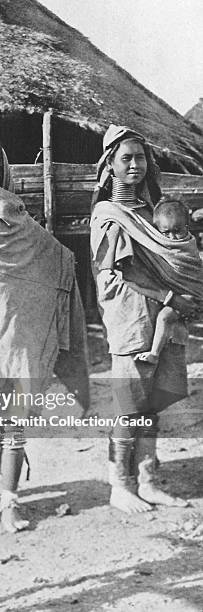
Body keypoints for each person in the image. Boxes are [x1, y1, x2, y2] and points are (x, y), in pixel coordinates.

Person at [0, 127, 89, 533]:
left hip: (16, 330)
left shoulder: (20, 217)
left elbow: (53, 255)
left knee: (13, 418)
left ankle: (9, 502)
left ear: (4, 171)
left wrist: (64, 263)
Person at [90, 125, 203, 514]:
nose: (135, 165)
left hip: (162, 317)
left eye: (140, 157)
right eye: (126, 159)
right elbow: (124, 272)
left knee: (150, 403)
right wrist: (173, 296)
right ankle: (120, 485)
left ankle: (149, 480)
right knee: (129, 404)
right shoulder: (110, 216)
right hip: (131, 316)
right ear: (111, 167)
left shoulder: (154, 212)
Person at [134, 198, 200, 365]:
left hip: (194, 294)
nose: (172, 236)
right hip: (185, 293)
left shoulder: (187, 243)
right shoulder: (162, 245)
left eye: (177, 230)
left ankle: (154, 353)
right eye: (166, 232)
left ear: (187, 226)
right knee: (165, 317)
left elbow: (190, 270)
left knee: (164, 317)